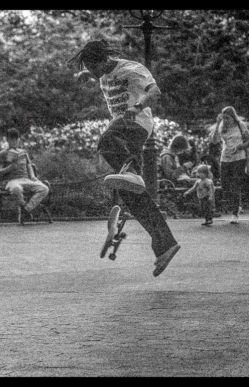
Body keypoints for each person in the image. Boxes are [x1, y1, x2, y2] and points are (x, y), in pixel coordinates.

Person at [72, 39, 180, 277]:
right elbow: (95, 71)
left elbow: (155, 91)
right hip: (122, 130)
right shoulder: (99, 71)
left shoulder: (132, 69)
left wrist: (137, 107)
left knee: (106, 141)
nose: (96, 73)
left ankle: (131, 169)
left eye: (96, 68)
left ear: (105, 60)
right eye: (92, 70)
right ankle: (164, 244)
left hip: (137, 123)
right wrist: (86, 74)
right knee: (133, 194)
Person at [208, 106, 249, 223]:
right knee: (225, 184)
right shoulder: (222, 126)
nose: (226, 120)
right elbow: (214, 141)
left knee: (235, 184)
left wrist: (240, 146)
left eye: (228, 118)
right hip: (225, 157)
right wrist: (218, 124)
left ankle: (235, 212)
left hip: (239, 157)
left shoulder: (240, 125)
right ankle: (236, 205)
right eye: (224, 118)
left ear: (233, 117)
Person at [0, 128, 50, 223]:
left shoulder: (23, 152)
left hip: (26, 179)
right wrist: (11, 167)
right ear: (8, 140)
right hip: (12, 181)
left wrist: (32, 176)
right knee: (16, 189)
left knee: (44, 188)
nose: (14, 142)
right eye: (12, 139)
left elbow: (29, 164)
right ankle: (26, 209)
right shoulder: (3, 154)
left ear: (18, 139)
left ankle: (26, 210)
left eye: (16, 139)